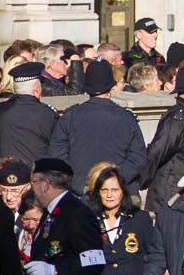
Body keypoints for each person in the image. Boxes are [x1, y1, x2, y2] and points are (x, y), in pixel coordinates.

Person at [46, 60, 148, 191]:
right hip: (114, 191)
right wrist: (115, 181)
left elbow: (57, 154)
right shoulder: (126, 117)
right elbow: (138, 158)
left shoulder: (71, 116)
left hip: (81, 190)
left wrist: (77, 180)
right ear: (111, 86)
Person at [144, 60, 184, 201]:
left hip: (181, 193)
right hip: (169, 196)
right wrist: (143, 180)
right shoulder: (178, 118)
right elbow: (157, 151)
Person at [0, 61, 58, 170]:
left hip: (0, 174)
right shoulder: (46, 113)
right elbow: (55, 146)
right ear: (37, 89)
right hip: (32, 177)